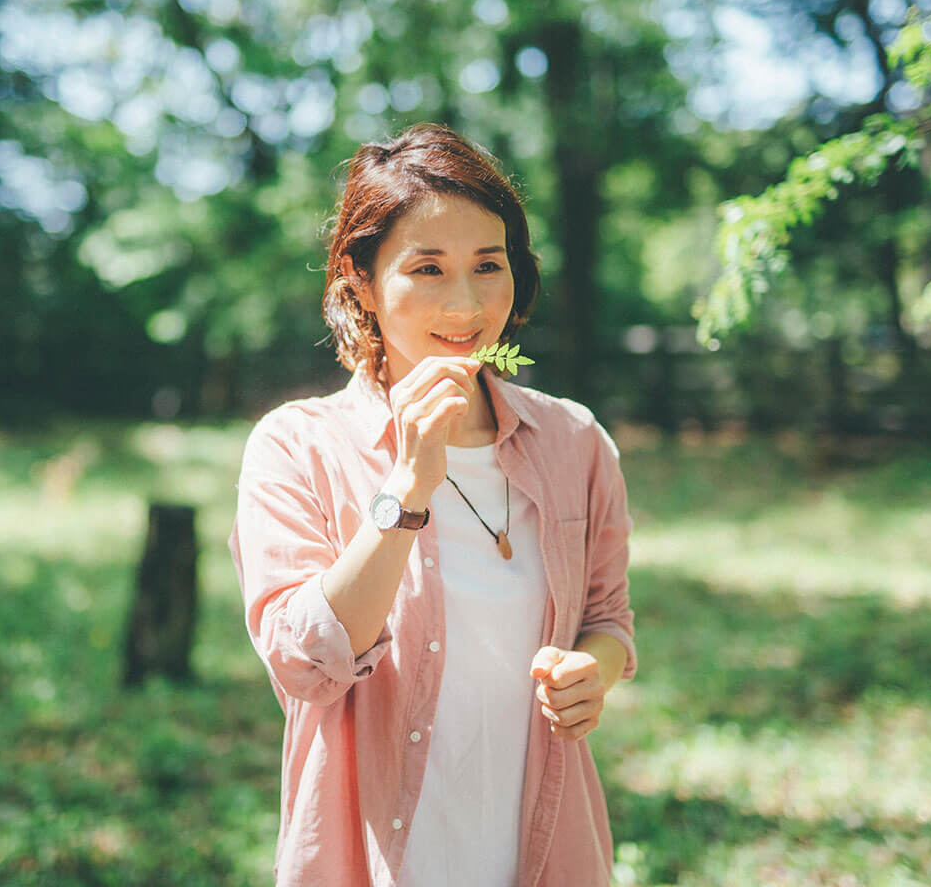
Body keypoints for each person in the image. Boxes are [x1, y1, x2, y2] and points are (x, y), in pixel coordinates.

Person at [228, 123, 637, 887]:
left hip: (543, 847)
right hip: (374, 856)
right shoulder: (296, 447)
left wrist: (594, 669)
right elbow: (302, 666)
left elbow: (608, 617)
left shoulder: (573, 440)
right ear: (361, 283)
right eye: (428, 268)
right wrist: (407, 486)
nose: (466, 301)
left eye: (489, 264)